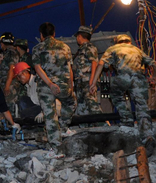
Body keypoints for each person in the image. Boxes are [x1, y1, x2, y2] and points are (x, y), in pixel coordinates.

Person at [90, 34, 156, 154]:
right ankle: (148, 136)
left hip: (122, 78)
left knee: (116, 95)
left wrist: (94, 83)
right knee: (141, 106)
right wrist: (153, 77)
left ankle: (127, 120)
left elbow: (101, 64)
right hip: (138, 79)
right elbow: (155, 64)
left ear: (117, 41)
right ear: (128, 41)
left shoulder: (113, 49)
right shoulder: (136, 50)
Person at [32, 22, 77, 157]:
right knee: (71, 102)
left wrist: (50, 83)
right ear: (54, 33)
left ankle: (57, 150)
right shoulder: (65, 47)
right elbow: (69, 68)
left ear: (41, 35)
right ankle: (63, 128)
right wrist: (71, 85)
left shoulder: (37, 48)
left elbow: (38, 68)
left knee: (50, 116)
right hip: (64, 85)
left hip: (46, 87)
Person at [72, 26, 104, 122]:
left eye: (77, 36)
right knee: (81, 106)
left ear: (80, 36)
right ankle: (84, 126)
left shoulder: (90, 47)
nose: (77, 38)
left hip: (87, 80)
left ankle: (102, 123)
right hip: (80, 81)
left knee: (91, 103)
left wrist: (92, 81)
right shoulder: (82, 49)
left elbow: (94, 63)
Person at [0, 32, 20, 111]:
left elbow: (11, 69)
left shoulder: (11, 53)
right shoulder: (8, 53)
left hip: (10, 85)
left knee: (8, 107)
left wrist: (7, 86)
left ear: (2, 43)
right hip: (6, 84)